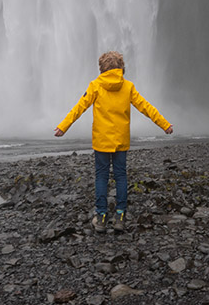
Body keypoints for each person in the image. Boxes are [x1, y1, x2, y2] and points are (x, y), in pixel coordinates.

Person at [54, 51, 173, 233]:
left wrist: (63, 126)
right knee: (121, 176)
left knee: (101, 176)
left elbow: (80, 107)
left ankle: (101, 217)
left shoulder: (95, 86)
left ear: (102, 68)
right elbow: (145, 107)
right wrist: (164, 124)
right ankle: (120, 216)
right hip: (121, 141)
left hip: (101, 141)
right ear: (121, 68)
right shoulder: (128, 86)